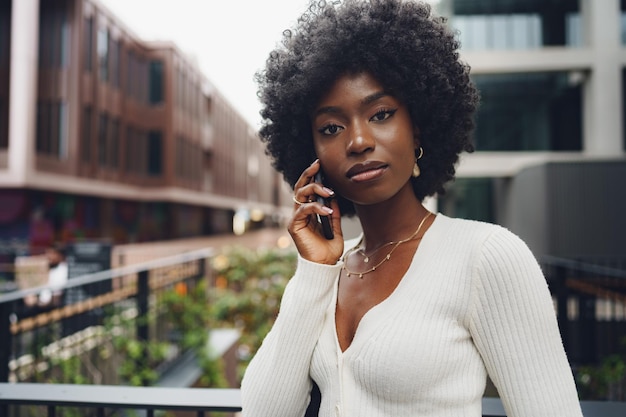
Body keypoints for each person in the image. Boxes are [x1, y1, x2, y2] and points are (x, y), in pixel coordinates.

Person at [240, 1, 584, 416]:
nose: (358, 141)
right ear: (311, 151)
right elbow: (264, 411)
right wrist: (314, 270)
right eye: (331, 128)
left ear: (417, 126)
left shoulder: (485, 256)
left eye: (380, 114)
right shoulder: (327, 272)